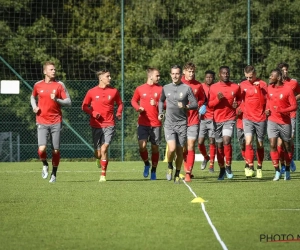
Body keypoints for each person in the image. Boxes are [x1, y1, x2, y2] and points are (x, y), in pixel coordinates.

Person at [31, 61, 72, 183]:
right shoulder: (38, 85)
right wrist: (34, 106)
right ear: (45, 72)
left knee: (55, 150)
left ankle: (53, 174)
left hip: (56, 121)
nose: (54, 71)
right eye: (51, 69)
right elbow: (32, 97)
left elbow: (69, 102)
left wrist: (57, 99)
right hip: (42, 120)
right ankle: (44, 164)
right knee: (42, 148)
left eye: (54, 69)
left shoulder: (59, 85)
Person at [158, 65, 198, 183]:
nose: (175, 76)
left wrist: (186, 106)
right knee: (172, 148)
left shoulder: (186, 88)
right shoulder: (166, 88)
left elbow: (195, 104)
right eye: (173, 74)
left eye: (177, 74)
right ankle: (170, 166)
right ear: (170, 75)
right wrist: (161, 112)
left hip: (182, 124)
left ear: (181, 75)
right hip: (169, 124)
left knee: (180, 151)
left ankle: (177, 173)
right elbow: (161, 100)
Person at [82, 69, 123, 182]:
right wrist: (93, 113)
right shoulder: (91, 92)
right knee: (98, 152)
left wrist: (119, 113)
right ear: (101, 78)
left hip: (110, 124)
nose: (110, 78)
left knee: (104, 149)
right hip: (96, 125)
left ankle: (103, 175)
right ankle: (97, 158)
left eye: (110, 76)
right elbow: (84, 106)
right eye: (107, 76)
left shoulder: (114, 91)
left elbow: (120, 104)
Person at [208, 66, 241, 180]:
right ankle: (221, 169)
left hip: (230, 118)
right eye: (223, 73)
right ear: (219, 75)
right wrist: (218, 99)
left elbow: (240, 99)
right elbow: (210, 104)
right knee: (219, 145)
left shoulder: (235, 87)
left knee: (227, 140)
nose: (226, 75)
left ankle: (228, 166)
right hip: (217, 120)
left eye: (227, 73)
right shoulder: (213, 87)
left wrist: (237, 106)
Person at [131, 68, 162, 180]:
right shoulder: (140, 89)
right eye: (157, 76)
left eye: (159, 76)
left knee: (155, 147)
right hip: (143, 123)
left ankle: (153, 170)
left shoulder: (161, 89)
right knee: (142, 145)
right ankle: (146, 164)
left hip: (156, 124)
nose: (159, 78)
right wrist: (138, 108)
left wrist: (157, 103)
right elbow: (133, 101)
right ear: (150, 76)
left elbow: (166, 104)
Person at [266, 68, 297, 181]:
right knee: (273, 144)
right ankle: (277, 171)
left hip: (284, 122)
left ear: (278, 77)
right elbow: (268, 101)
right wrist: (267, 110)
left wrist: (283, 110)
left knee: (287, 147)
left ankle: (287, 170)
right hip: (272, 120)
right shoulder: (269, 88)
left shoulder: (288, 89)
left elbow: (294, 106)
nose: (270, 77)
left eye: (272, 75)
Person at [239, 65, 268, 178]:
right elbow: (239, 99)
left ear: (255, 74)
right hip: (247, 118)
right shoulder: (242, 85)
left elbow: (266, 100)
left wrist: (259, 89)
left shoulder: (263, 84)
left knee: (260, 144)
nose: (248, 80)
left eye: (250, 77)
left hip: (260, 118)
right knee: (248, 141)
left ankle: (259, 167)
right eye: (246, 77)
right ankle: (250, 166)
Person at [180, 62, 205, 182]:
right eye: (189, 71)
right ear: (184, 72)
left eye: (193, 71)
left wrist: (196, 105)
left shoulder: (198, 85)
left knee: (191, 145)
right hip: (179, 120)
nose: (191, 74)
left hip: (193, 119)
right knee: (183, 148)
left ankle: (188, 172)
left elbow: (202, 98)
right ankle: (186, 167)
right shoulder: (177, 84)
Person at [276, 62, 300, 174]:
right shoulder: (275, 84)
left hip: (291, 115)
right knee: (280, 143)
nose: (286, 71)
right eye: (283, 70)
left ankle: (289, 161)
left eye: (287, 69)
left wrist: (293, 99)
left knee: (289, 139)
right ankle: (283, 165)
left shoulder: (294, 82)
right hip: (279, 116)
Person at [198, 70, 216, 173]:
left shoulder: (216, 87)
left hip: (213, 118)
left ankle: (211, 165)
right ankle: (206, 157)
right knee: (200, 143)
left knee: (212, 141)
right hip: (202, 118)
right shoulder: (201, 87)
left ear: (213, 78)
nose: (209, 79)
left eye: (211, 77)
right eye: (207, 77)